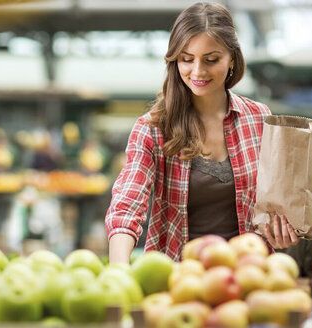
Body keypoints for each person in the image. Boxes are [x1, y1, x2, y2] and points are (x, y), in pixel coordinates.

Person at [105, 2, 299, 264]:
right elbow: (128, 202)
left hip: (248, 275)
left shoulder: (258, 118)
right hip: (178, 279)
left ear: (232, 58)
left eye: (211, 59)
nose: (197, 71)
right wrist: (119, 268)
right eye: (187, 59)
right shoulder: (153, 128)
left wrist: (283, 232)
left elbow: (277, 206)